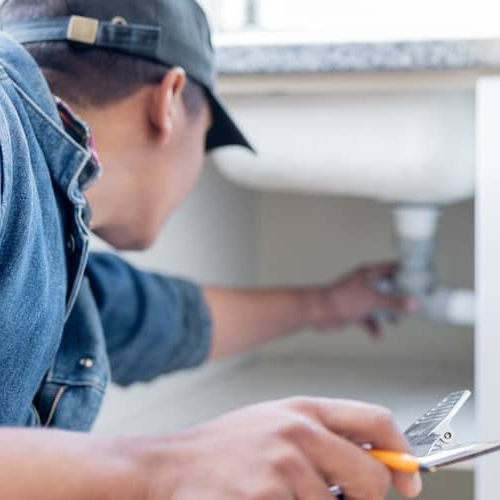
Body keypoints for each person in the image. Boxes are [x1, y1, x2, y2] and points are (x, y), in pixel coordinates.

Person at [0, 0, 420, 497]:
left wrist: (326, 305)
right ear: (170, 102)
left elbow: (156, 318)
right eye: (208, 140)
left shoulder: (48, 251)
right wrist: (167, 467)